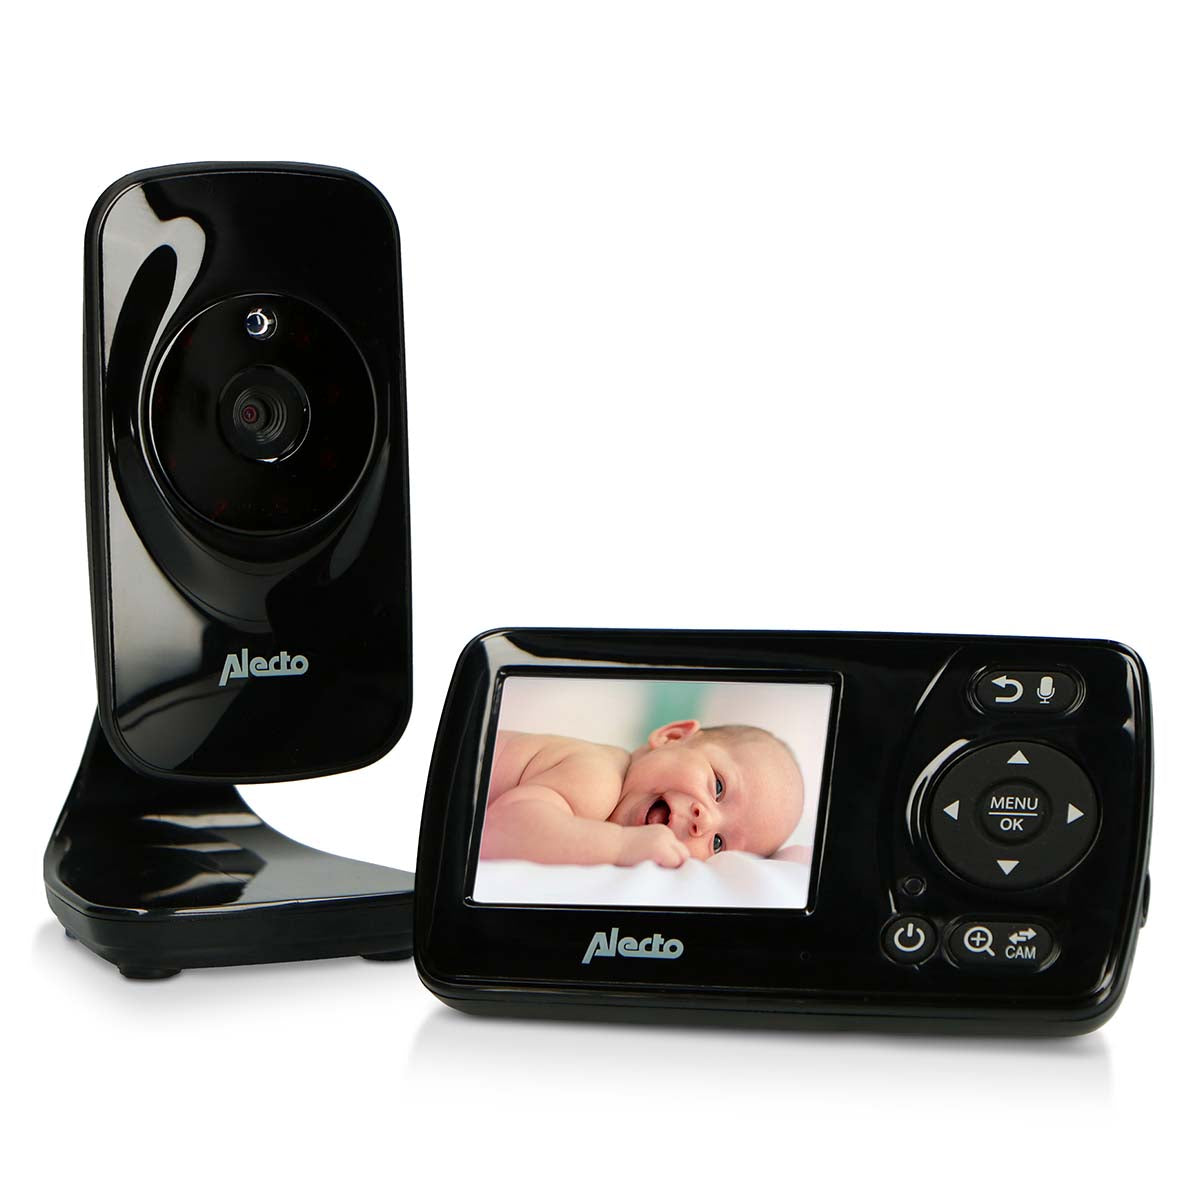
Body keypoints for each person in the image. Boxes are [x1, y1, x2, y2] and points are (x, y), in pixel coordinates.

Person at [480, 719, 804, 867]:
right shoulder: (599, 778)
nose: (703, 822)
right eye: (718, 787)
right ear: (672, 737)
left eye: (718, 843)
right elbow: (505, 828)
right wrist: (620, 846)